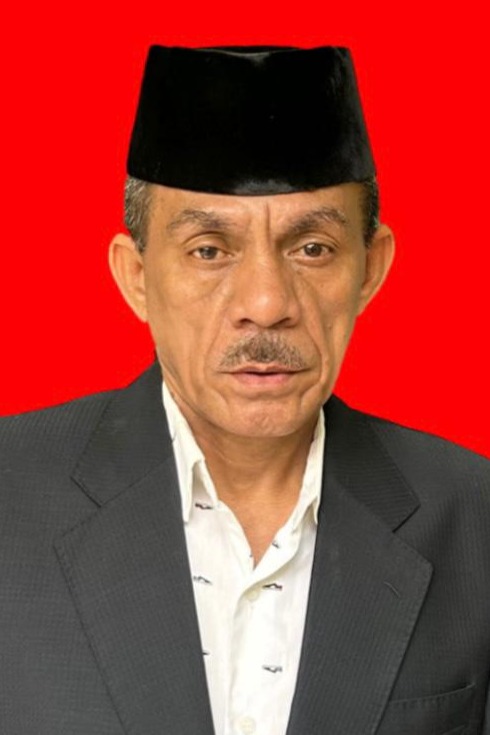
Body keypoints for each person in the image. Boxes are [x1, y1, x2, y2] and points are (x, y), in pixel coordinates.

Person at [0, 44, 489, 735]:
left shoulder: (474, 518)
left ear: (370, 268)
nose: (265, 304)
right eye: (209, 250)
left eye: (312, 248)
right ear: (136, 277)